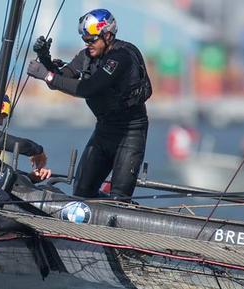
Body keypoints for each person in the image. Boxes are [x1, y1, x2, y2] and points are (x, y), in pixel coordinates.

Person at [27, 8, 152, 199]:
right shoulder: (86, 56)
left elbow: (88, 88)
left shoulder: (121, 57)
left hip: (130, 133)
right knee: (82, 192)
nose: (87, 44)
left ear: (108, 35)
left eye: (92, 39)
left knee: (119, 198)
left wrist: (47, 75)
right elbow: (62, 79)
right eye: (84, 39)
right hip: (104, 130)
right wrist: (45, 59)